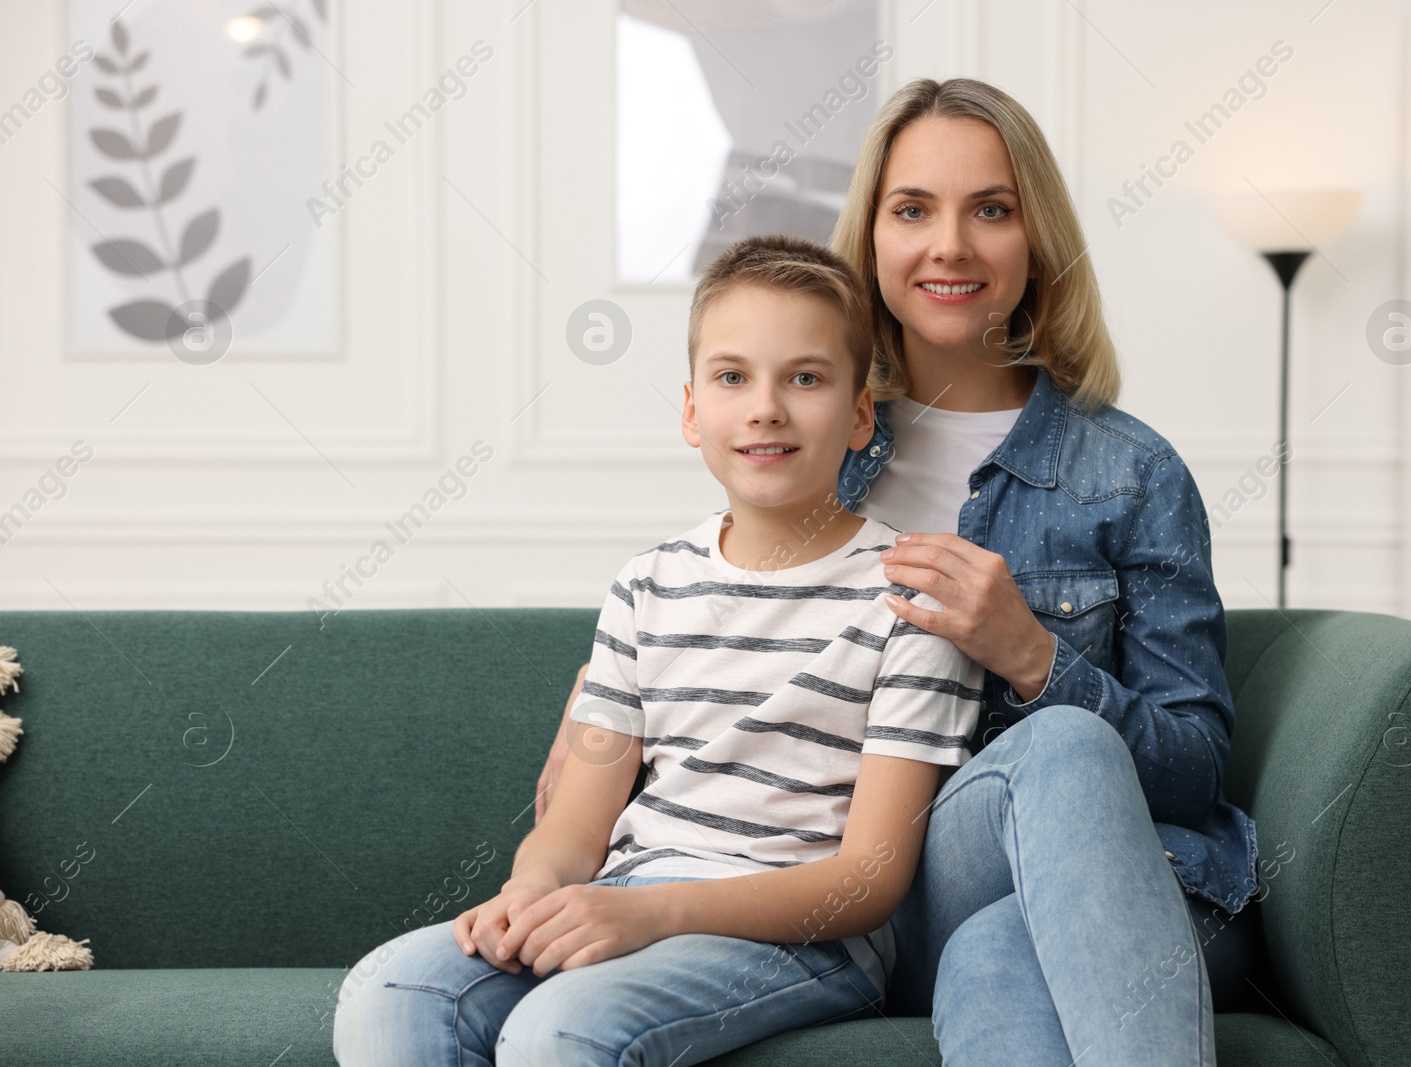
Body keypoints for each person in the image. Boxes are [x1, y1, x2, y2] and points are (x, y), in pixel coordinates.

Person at [537, 78, 1265, 1066]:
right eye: (912, 209)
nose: (950, 247)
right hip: (883, 885)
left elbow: (1192, 769)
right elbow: (714, 618)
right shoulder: (809, 425)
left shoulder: (1130, 473)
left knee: (1010, 912)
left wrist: (1034, 654)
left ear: (1035, 238)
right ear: (870, 234)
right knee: (995, 889)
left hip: (1113, 885)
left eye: (992, 210)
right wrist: (612, 699)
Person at [331, 233, 985, 1066]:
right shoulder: (646, 586)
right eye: (732, 376)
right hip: (624, 897)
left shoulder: (910, 598)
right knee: (391, 991)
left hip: (803, 938)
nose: (765, 407)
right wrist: (529, 892)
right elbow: (573, 828)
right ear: (690, 410)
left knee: (554, 1030)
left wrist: (655, 913)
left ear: (861, 414)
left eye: (807, 377)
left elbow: (868, 880)